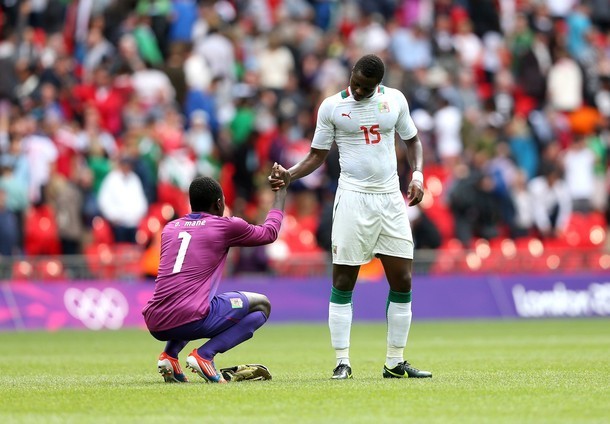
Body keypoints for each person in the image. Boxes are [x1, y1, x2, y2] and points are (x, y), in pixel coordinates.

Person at [270, 54, 432, 380]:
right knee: (344, 281)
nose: (358, 91)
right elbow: (317, 155)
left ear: (378, 85)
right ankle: (342, 361)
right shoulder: (331, 107)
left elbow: (412, 140)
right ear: (352, 75)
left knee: (403, 280)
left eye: (366, 88)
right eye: (356, 83)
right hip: (352, 198)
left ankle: (394, 362)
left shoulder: (394, 100)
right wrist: (290, 175)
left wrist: (417, 176)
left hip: (389, 198)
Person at [142, 170, 290, 383]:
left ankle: (170, 357)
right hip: (190, 316)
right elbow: (270, 233)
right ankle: (205, 355)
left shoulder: (170, 229)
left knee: (188, 298)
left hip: (155, 320)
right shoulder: (225, 226)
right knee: (262, 306)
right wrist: (281, 192)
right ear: (219, 204)